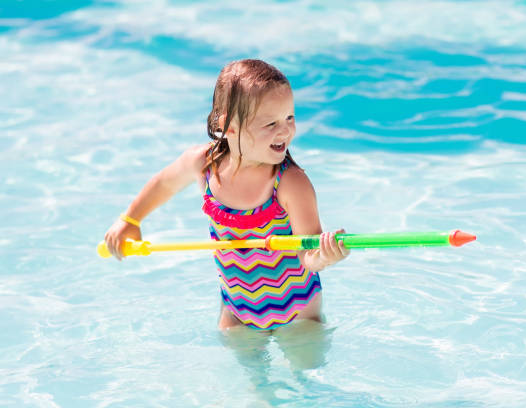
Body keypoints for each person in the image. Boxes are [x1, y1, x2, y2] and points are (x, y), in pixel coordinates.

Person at [104, 59, 350, 331]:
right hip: (237, 311)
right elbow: (164, 184)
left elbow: (308, 253)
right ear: (229, 126)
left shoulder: (290, 183)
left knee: (303, 372)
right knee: (244, 372)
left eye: (289, 117)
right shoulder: (205, 165)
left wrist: (324, 256)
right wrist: (131, 220)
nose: (285, 130)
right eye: (270, 123)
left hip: (298, 311)